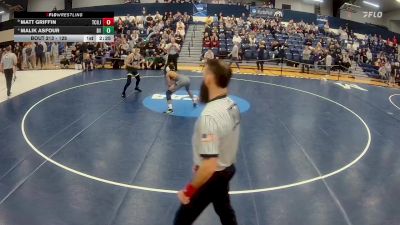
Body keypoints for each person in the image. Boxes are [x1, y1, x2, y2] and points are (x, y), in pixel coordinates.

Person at [174, 59, 239, 225]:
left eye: (204, 75)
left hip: (212, 177)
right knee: (224, 210)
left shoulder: (209, 117)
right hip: (227, 170)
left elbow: (210, 165)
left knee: (182, 219)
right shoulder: (232, 105)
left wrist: (189, 191)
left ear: (209, 79)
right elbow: (226, 139)